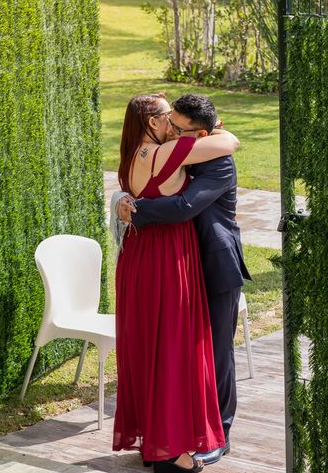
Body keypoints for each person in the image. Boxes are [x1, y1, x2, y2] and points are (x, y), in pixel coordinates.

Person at [117, 94, 252, 466]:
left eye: (179, 128)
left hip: (214, 264)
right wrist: (122, 199)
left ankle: (220, 435)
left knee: (217, 353)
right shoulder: (176, 150)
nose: (172, 131)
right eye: (169, 123)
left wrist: (136, 210)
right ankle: (178, 433)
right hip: (178, 266)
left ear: (201, 134)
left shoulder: (219, 163)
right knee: (183, 354)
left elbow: (183, 207)